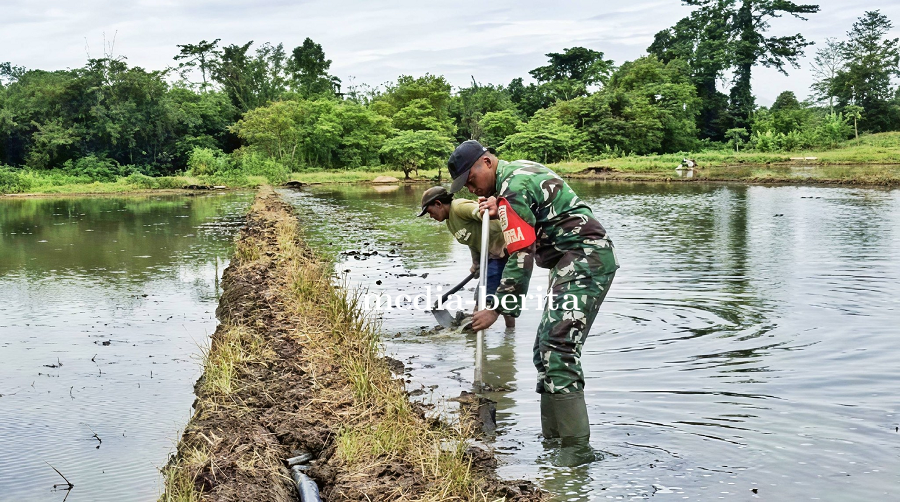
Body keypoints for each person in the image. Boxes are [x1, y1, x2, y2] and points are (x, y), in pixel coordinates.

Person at [446, 140, 619, 466]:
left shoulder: (514, 187)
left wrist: (496, 307)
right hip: (569, 263)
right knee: (545, 347)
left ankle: (575, 454)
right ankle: (553, 444)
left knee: (559, 347)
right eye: (464, 185)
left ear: (486, 162)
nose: (469, 188)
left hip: (586, 260)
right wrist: (499, 207)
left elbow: (520, 255)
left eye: (470, 178)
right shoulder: (512, 181)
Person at [418, 186, 515, 328]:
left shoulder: (459, 208)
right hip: (491, 255)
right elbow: (472, 240)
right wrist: (476, 262)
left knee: (482, 297)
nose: (430, 216)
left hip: (503, 251)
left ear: (438, 204)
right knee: (503, 295)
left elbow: (486, 214)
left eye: (429, 212)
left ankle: (476, 340)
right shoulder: (450, 222)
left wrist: (482, 211)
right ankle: (510, 337)